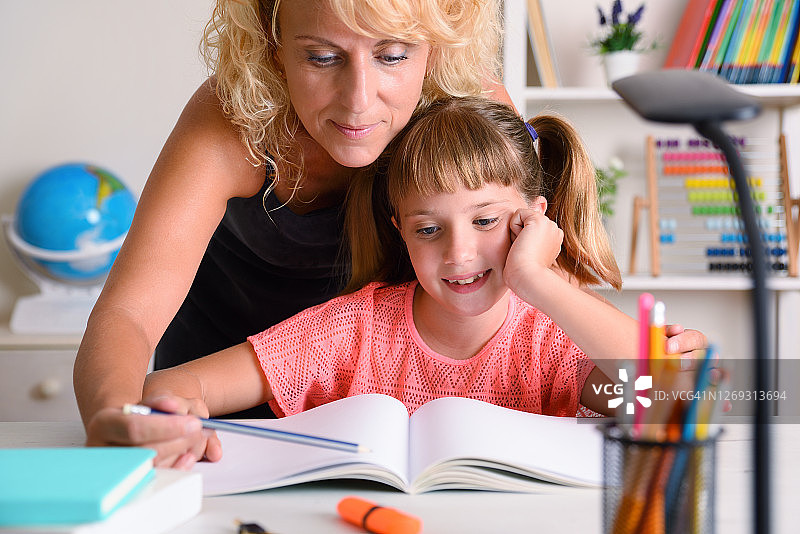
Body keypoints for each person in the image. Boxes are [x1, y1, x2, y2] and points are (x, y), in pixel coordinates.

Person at [74, 0, 706, 466]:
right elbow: (129, 313)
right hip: (231, 409)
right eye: (321, 57)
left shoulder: (469, 107)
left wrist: (639, 351)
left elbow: (528, 286)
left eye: (393, 56)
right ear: (272, 39)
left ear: (437, 39)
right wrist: (119, 417)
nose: (358, 101)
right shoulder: (232, 123)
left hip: (396, 393)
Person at [134, 96, 644, 469]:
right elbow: (172, 384)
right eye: (429, 229)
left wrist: (537, 279)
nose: (459, 253)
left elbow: (668, 399)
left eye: (485, 222)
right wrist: (173, 411)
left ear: (533, 222)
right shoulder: (352, 329)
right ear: (401, 230)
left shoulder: (553, 340)